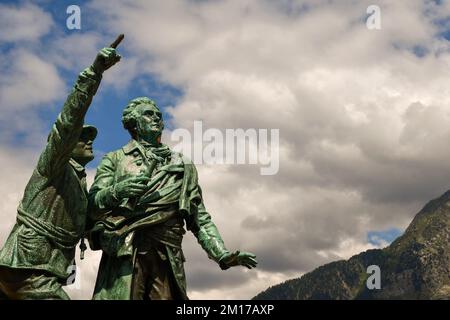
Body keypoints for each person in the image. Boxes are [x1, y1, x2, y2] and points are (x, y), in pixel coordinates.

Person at [88, 97, 257, 300]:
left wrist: (221, 253)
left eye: (159, 115)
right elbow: (91, 206)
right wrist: (117, 191)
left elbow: (199, 218)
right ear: (134, 123)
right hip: (126, 252)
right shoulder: (115, 159)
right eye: (149, 114)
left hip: (167, 255)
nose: (157, 118)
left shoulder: (182, 165)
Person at [0, 43, 121, 299]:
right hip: (27, 267)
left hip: (42, 270)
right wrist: (94, 73)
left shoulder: (78, 182)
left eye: (90, 138)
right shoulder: (54, 164)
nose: (89, 141)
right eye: (81, 137)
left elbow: (87, 224)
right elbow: (68, 120)